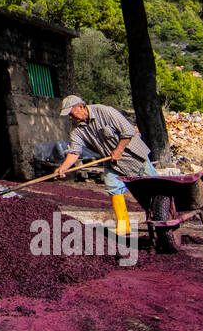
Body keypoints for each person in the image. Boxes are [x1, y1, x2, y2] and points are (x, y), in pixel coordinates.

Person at [51, 95, 156, 234]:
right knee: (113, 186)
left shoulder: (105, 111)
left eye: (71, 113)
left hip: (133, 156)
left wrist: (118, 150)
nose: (70, 117)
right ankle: (124, 225)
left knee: (154, 187)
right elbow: (74, 152)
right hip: (112, 161)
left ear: (80, 107)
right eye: (68, 115)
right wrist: (63, 168)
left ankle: (161, 216)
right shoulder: (76, 130)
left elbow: (128, 131)